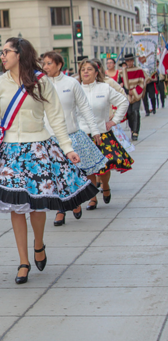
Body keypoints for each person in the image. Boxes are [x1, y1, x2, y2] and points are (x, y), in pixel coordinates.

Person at [0, 37, 98, 285]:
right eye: (1, 52)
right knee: (15, 206)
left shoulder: (41, 82)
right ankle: (23, 261)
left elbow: (55, 118)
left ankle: (39, 244)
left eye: (6, 52)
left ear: (19, 54)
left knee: (36, 205)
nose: (2, 56)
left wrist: (67, 148)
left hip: (38, 149)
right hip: (9, 151)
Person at [41, 52, 107, 226]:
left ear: (59, 64)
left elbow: (85, 108)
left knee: (76, 173)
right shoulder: (41, 84)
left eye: (49, 63)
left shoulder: (71, 83)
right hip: (50, 138)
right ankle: (60, 210)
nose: (45, 67)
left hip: (71, 136)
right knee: (56, 176)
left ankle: (76, 201)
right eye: (44, 64)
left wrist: (95, 131)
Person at [77, 59, 133, 210]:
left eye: (89, 69)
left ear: (96, 73)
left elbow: (123, 101)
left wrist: (114, 121)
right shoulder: (75, 89)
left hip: (102, 133)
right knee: (87, 167)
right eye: (83, 69)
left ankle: (105, 185)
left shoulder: (104, 88)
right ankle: (92, 198)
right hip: (83, 135)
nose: (86, 72)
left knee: (104, 167)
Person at [120, 53, 145, 140]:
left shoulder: (139, 70)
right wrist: (127, 91)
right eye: (127, 61)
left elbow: (142, 82)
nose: (129, 62)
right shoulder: (122, 71)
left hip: (136, 94)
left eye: (131, 60)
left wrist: (134, 91)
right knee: (129, 113)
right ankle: (132, 130)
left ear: (133, 61)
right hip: (127, 95)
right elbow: (120, 84)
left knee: (135, 112)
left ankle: (135, 132)